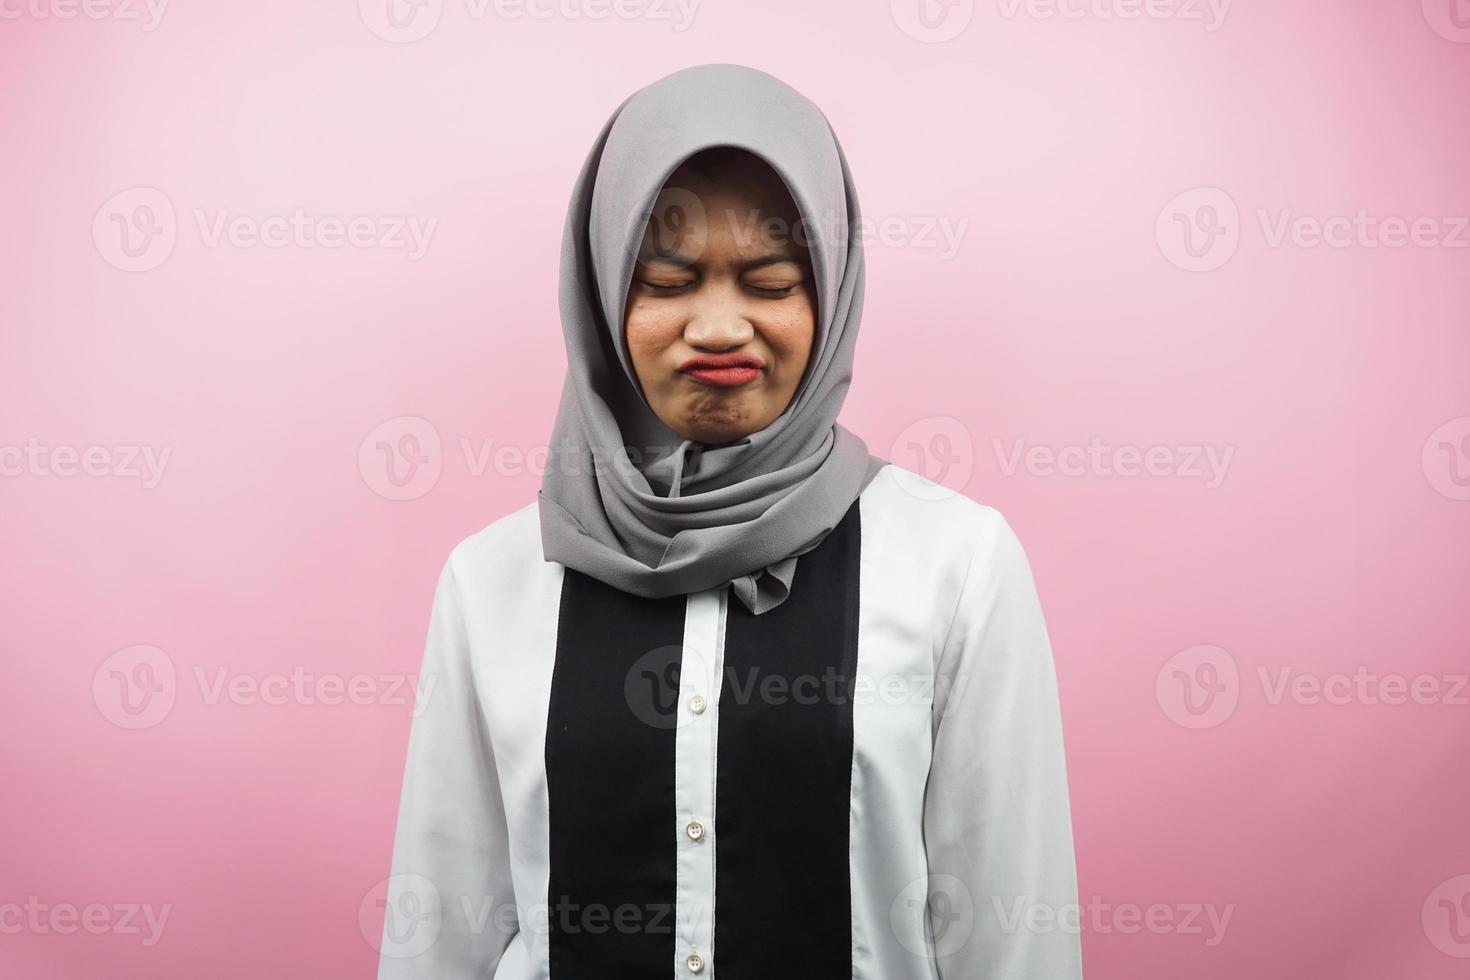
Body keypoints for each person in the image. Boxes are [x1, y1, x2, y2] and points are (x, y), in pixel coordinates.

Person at [376, 63, 1083, 980]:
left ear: (830, 293)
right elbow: (441, 938)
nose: (718, 327)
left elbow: (1012, 939)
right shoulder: (495, 580)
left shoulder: (957, 566)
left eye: (770, 280)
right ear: (600, 298)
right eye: (667, 282)